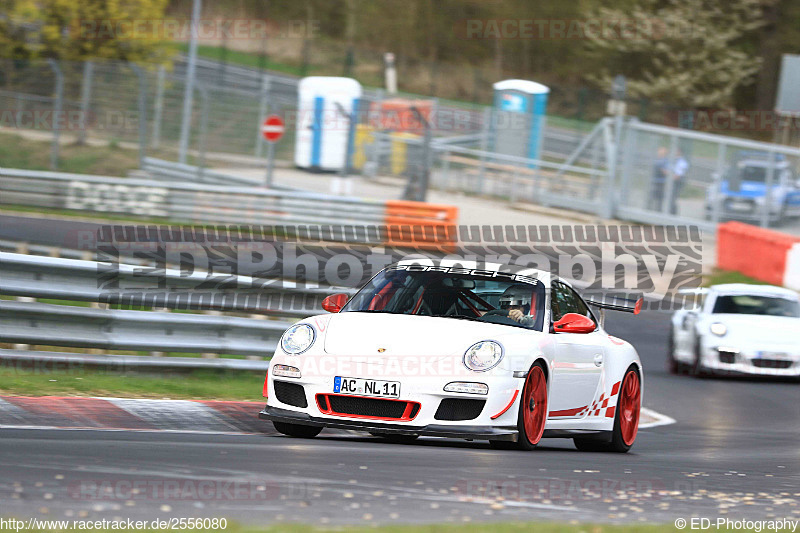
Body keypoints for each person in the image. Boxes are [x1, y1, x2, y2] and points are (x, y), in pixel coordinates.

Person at [669, 149, 689, 215]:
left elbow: (678, 175)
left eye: (676, 151)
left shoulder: (682, 162)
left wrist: (671, 177)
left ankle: (672, 213)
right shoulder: (673, 160)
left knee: (672, 198)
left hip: (676, 182)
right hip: (671, 181)